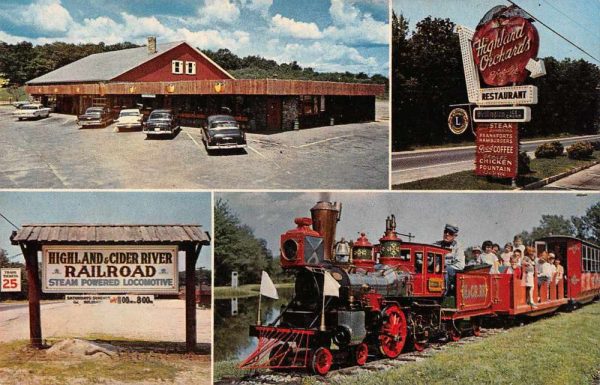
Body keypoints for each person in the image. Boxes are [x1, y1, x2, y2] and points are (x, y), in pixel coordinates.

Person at [435, 224, 465, 296]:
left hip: (452, 273)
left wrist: (443, 266)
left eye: (450, 233)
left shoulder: (458, 246)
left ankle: (443, 295)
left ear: (455, 236)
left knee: (445, 270)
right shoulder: (436, 245)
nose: (447, 234)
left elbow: (460, 265)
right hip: (436, 270)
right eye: (445, 231)